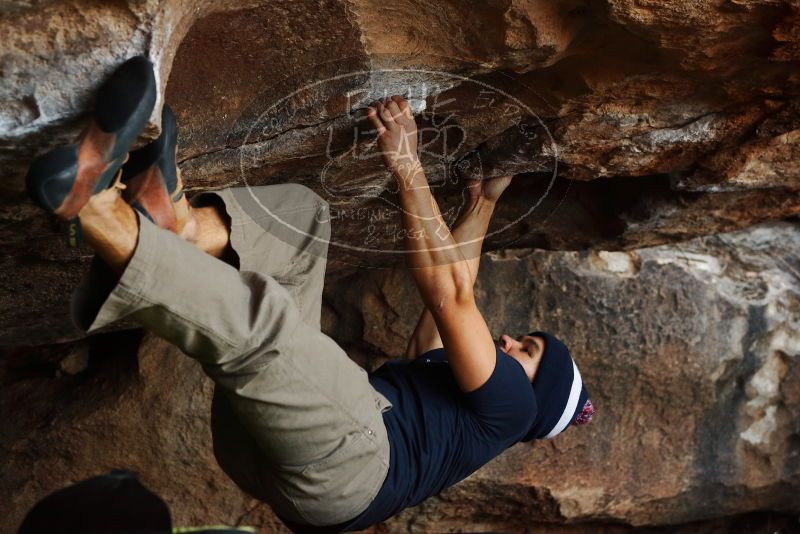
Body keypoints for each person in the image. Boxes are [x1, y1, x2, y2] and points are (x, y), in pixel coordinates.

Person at [25, 57, 594, 533]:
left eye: (529, 350)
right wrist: (482, 202)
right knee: (300, 222)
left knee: (265, 329)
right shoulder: (465, 401)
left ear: (535, 395)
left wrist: (406, 164)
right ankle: (176, 223)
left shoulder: (513, 410)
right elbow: (457, 285)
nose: (511, 339)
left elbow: (451, 297)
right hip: (297, 465)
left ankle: (95, 207)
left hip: (356, 463)